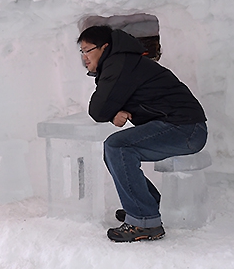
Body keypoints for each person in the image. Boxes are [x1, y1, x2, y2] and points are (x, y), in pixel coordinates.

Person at [77, 25, 207, 242]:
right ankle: (147, 205)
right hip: (181, 126)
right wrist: (113, 113)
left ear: (105, 47)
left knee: (117, 146)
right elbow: (107, 106)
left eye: (88, 50)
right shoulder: (122, 62)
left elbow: (98, 110)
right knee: (115, 149)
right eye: (81, 52)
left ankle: (144, 220)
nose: (84, 57)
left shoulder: (118, 63)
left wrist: (110, 114)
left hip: (185, 129)